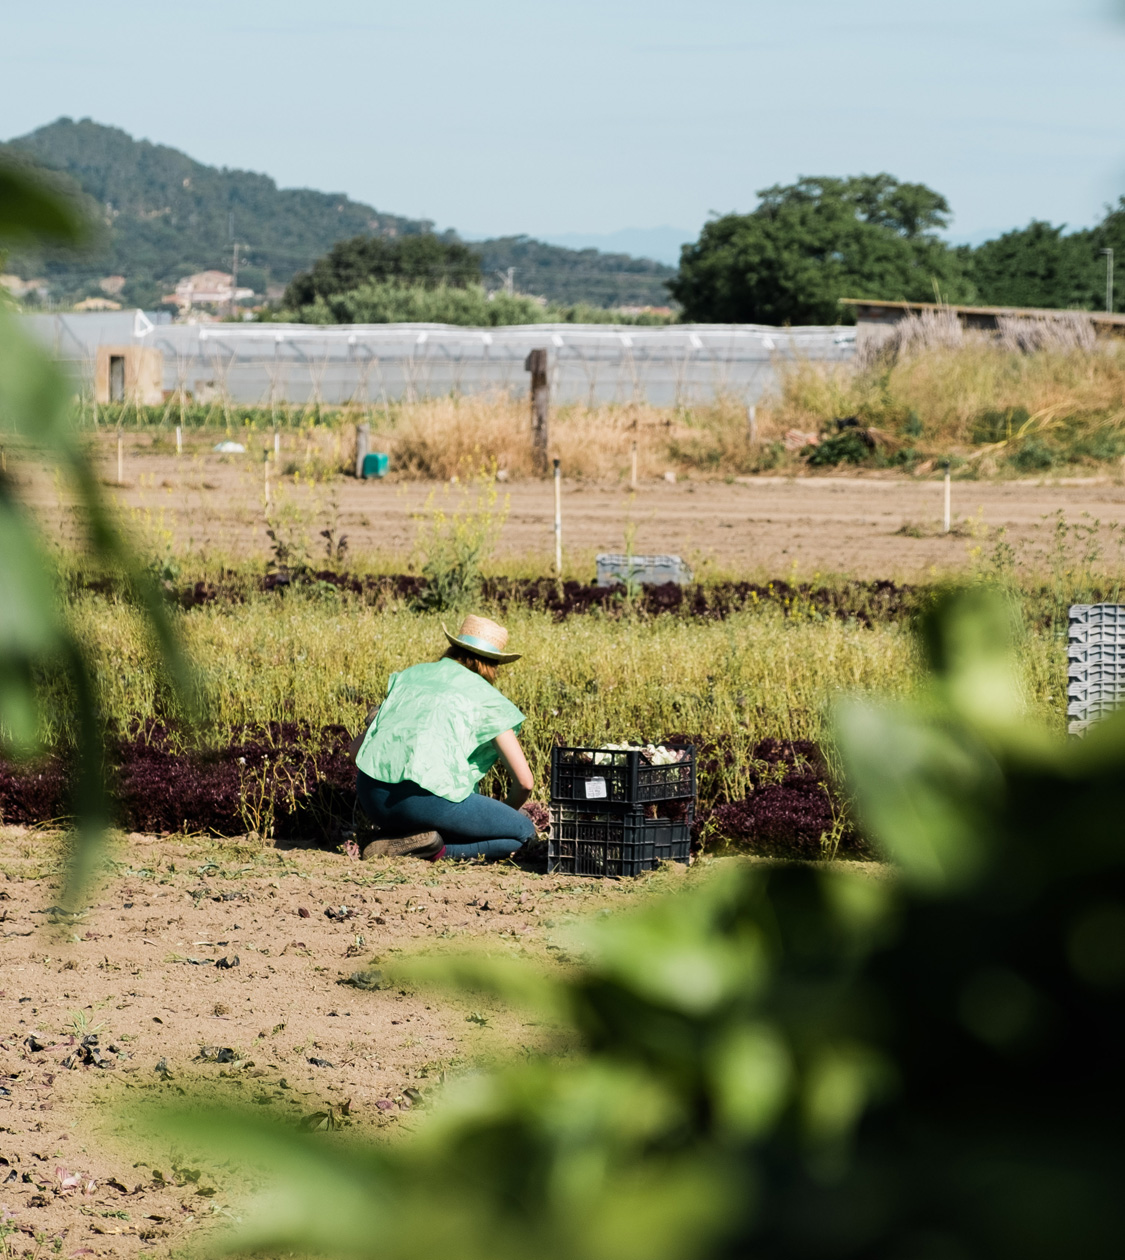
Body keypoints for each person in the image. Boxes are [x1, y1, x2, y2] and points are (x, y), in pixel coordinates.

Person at [349, 615, 537, 861]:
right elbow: (525, 782)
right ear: (493, 665)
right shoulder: (489, 700)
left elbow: (355, 751)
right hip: (426, 803)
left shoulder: (410, 676)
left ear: (453, 647)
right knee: (523, 833)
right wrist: (503, 816)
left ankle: (400, 840)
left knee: (439, 812)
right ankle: (438, 850)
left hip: (373, 798)